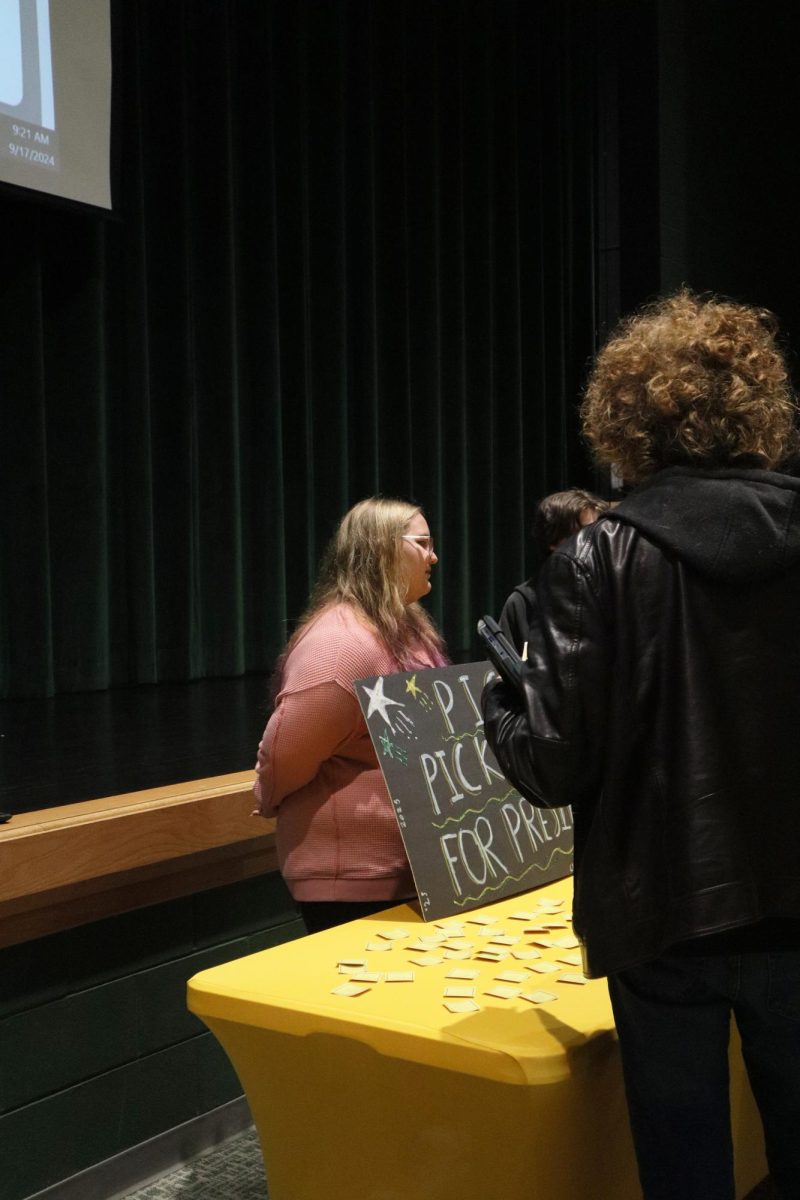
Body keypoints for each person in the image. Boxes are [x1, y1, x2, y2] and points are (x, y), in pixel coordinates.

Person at [482, 290, 800, 1199]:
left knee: (684, 1172)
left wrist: (504, 694)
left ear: (629, 419)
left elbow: (549, 764)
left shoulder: (595, 562)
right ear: (757, 409)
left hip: (660, 919)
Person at [254, 497, 447, 934]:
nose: (434, 556)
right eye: (422, 544)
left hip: (412, 872)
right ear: (381, 549)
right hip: (354, 880)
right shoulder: (340, 645)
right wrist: (266, 797)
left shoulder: (408, 627)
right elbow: (285, 755)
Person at [499, 489, 609, 656]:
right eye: (587, 532)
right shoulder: (523, 603)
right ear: (554, 540)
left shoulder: (615, 593)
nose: (598, 541)